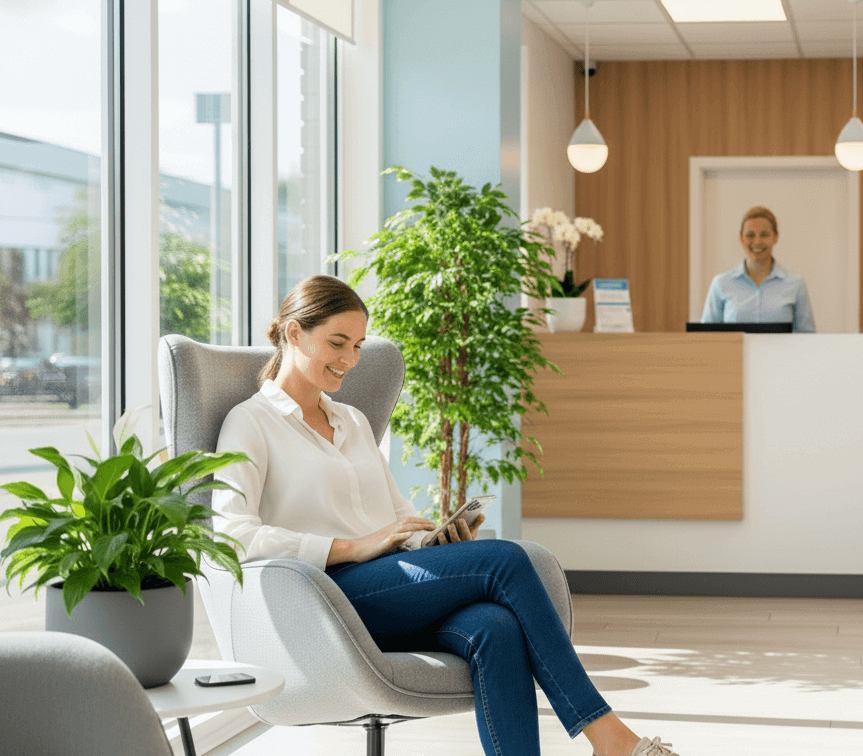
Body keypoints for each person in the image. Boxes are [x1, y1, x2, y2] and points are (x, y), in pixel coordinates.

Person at [212, 275, 680, 756]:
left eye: (357, 345)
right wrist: (352, 547)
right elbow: (231, 535)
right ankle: (610, 739)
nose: (350, 360)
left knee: (494, 627)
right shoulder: (251, 422)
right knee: (504, 560)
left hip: (388, 586)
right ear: (293, 333)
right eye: (337, 343)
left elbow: (397, 516)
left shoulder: (350, 421)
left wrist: (434, 540)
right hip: (324, 598)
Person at [700, 205, 816, 333]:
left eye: (764, 235)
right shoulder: (721, 283)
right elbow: (706, 338)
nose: (757, 242)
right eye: (750, 235)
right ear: (741, 239)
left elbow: (808, 337)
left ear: (775, 238)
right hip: (734, 354)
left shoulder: (796, 284)